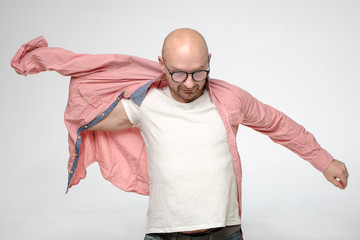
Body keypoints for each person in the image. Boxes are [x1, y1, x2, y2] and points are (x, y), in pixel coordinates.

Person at [11, 28, 348, 240]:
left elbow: (279, 124)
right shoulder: (145, 103)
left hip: (225, 233)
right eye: (179, 74)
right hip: (163, 235)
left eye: (200, 72)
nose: (190, 83)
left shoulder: (231, 99)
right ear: (162, 65)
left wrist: (324, 160)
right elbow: (86, 114)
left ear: (210, 61)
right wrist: (54, 61)